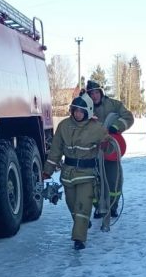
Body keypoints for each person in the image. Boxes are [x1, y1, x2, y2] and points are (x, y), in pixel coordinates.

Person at [42, 94, 110, 250]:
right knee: (71, 204)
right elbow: (55, 150)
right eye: (75, 110)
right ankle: (83, 223)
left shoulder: (96, 128)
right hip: (68, 175)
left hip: (87, 174)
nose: (77, 113)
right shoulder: (64, 126)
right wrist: (47, 171)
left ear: (87, 111)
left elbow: (110, 145)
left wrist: (107, 145)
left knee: (82, 205)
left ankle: (79, 239)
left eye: (81, 111)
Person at [85, 80, 134, 218]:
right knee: (94, 181)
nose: (94, 96)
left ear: (101, 92)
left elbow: (128, 117)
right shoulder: (85, 107)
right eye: (91, 94)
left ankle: (113, 206)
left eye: (96, 92)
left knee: (114, 179)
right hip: (93, 150)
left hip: (111, 149)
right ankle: (98, 207)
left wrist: (116, 127)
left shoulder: (114, 105)